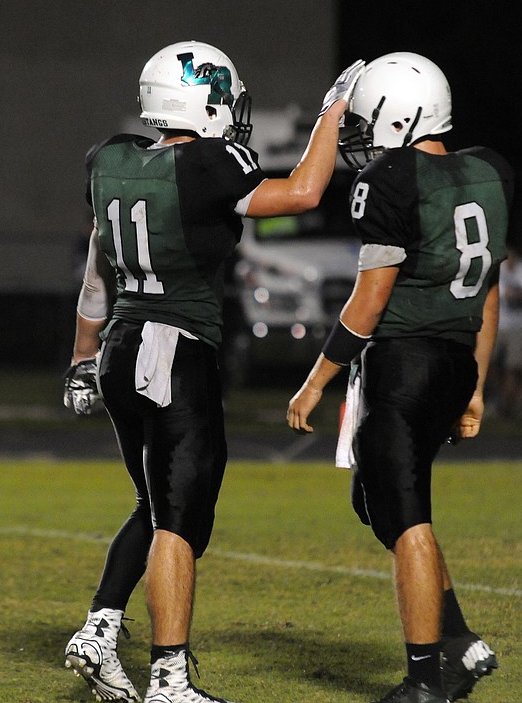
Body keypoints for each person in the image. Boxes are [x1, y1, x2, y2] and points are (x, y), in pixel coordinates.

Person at [61, 40, 364, 703]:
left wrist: (82, 355)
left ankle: (100, 627)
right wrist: (332, 112)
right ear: (201, 102)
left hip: (119, 348)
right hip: (175, 350)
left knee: (155, 502)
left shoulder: (111, 160)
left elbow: (95, 269)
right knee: (179, 520)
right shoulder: (208, 162)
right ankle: (170, 679)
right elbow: (305, 190)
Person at [287, 52, 512, 703]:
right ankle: (460, 642)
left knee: (406, 515)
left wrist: (315, 379)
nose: (362, 135)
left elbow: (369, 302)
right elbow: (488, 292)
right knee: (381, 501)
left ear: (398, 115)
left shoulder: (392, 176)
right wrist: (476, 383)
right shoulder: (489, 171)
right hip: (452, 359)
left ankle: (426, 680)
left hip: (403, 363)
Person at [491, 244, 522, 417]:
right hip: (499, 324)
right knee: (492, 363)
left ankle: (507, 404)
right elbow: (504, 293)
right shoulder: (498, 269)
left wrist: (517, 294)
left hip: (519, 325)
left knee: (513, 365)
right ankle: (502, 396)